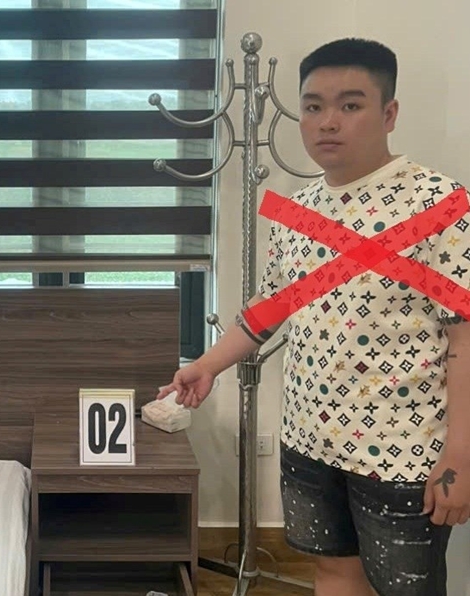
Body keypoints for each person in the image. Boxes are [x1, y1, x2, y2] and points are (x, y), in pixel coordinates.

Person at [157, 38, 470, 596]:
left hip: (404, 450)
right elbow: (268, 311)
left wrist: (460, 456)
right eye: (313, 106)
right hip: (310, 438)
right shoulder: (296, 210)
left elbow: (465, 342)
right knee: (331, 572)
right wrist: (206, 366)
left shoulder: (442, 205)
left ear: (389, 113)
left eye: (350, 105)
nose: (328, 121)